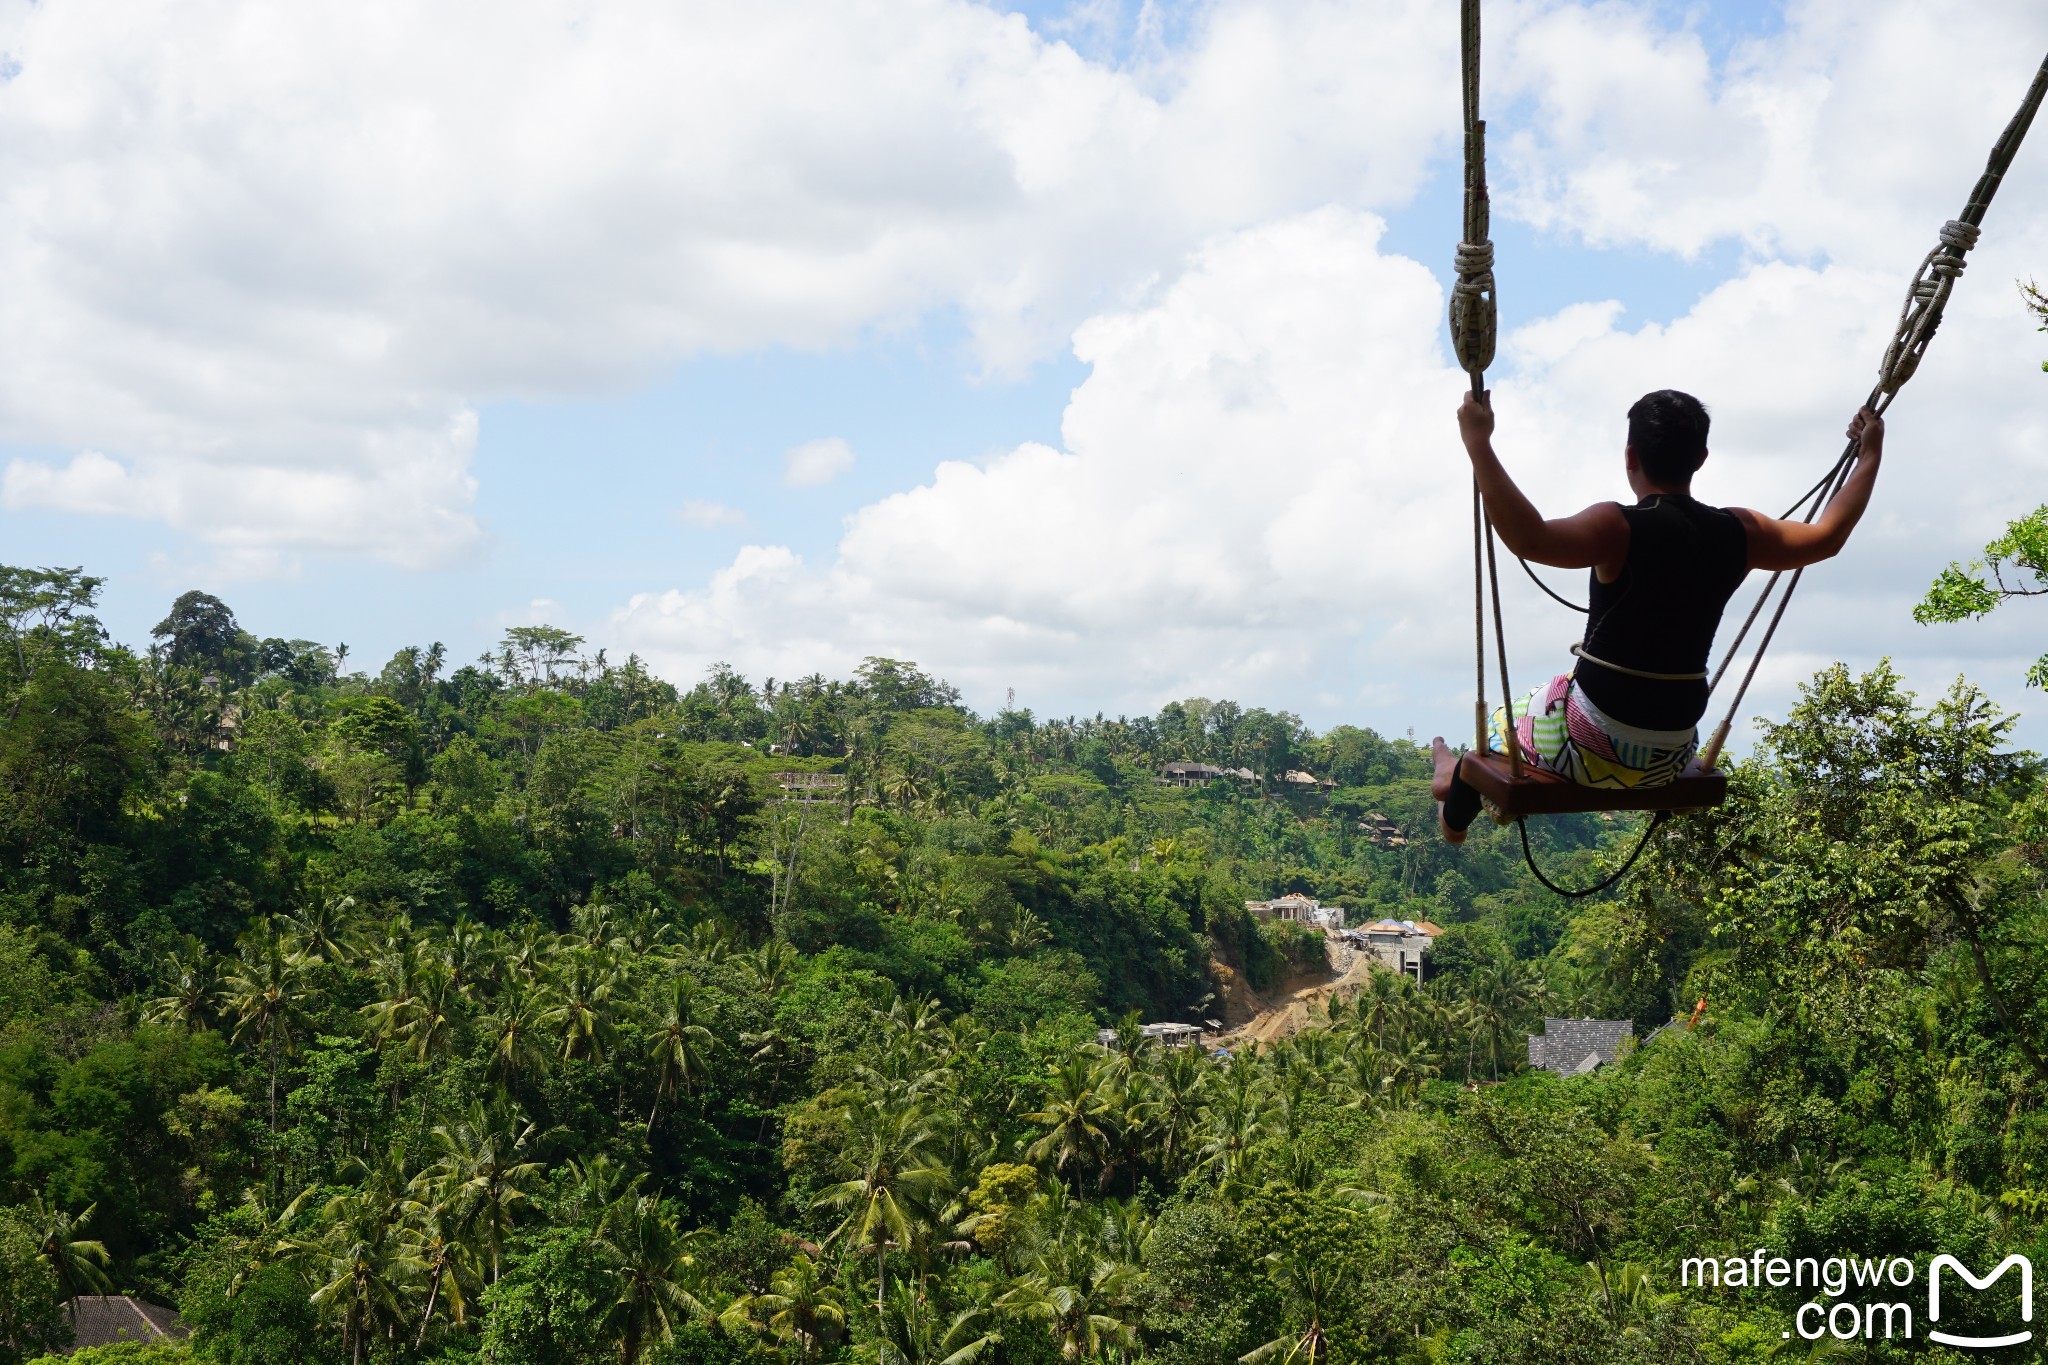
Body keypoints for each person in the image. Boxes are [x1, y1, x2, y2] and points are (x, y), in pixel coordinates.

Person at [1432, 388, 1884, 843]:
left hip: (1590, 745)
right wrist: (1869, 455)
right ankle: (1455, 779)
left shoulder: (1617, 525)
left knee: (1506, 727)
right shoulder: (1741, 531)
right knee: (1556, 696)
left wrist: (1478, 443)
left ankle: (1452, 811)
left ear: (1630, 456)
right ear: (1701, 457)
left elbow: (1530, 538)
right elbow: (1828, 536)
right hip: (1670, 751)